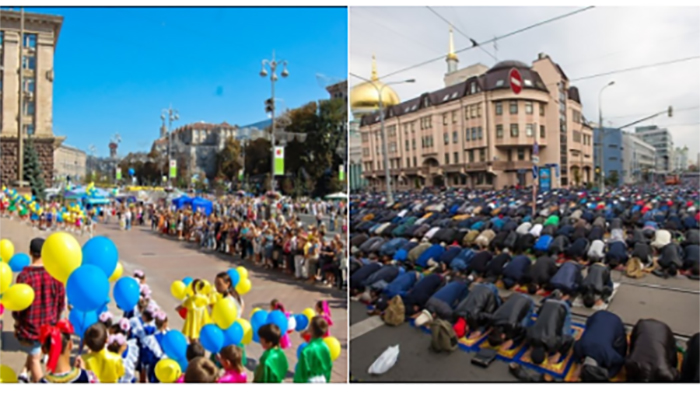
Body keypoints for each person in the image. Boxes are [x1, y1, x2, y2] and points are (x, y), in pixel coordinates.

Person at [13, 237, 66, 383]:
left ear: (30, 252)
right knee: (36, 354)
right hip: (50, 325)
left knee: (36, 359)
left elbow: (19, 305)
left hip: (31, 328)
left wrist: (17, 323)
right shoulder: (55, 274)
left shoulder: (24, 276)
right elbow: (61, 302)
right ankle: (24, 373)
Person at [573, 311, 627, 381]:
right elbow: (577, 354)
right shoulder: (580, 346)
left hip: (614, 321)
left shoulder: (608, 354)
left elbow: (620, 361)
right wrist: (579, 366)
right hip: (597, 316)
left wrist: (609, 375)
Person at [526, 291, 574, 365]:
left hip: (562, 307)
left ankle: (560, 298)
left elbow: (570, 340)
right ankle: (556, 297)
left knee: (567, 334)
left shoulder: (553, 344)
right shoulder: (530, 337)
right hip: (546, 303)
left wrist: (558, 354)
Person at [294, 316, 333, 383]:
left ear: (311, 329)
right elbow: (328, 367)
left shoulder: (306, 350)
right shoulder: (325, 347)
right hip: (322, 379)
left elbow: (301, 372)